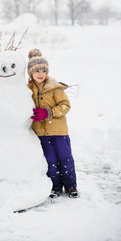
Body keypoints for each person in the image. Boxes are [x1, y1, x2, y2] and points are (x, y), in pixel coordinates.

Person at [27, 48, 79, 199]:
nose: (40, 73)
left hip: (59, 132)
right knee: (50, 161)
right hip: (41, 133)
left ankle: (71, 186)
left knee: (65, 158)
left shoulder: (54, 87)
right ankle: (55, 187)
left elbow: (65, 106)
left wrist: (48, 113)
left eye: (43, 69)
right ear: (31, 72)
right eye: (37, 70)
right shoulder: (27, 89)